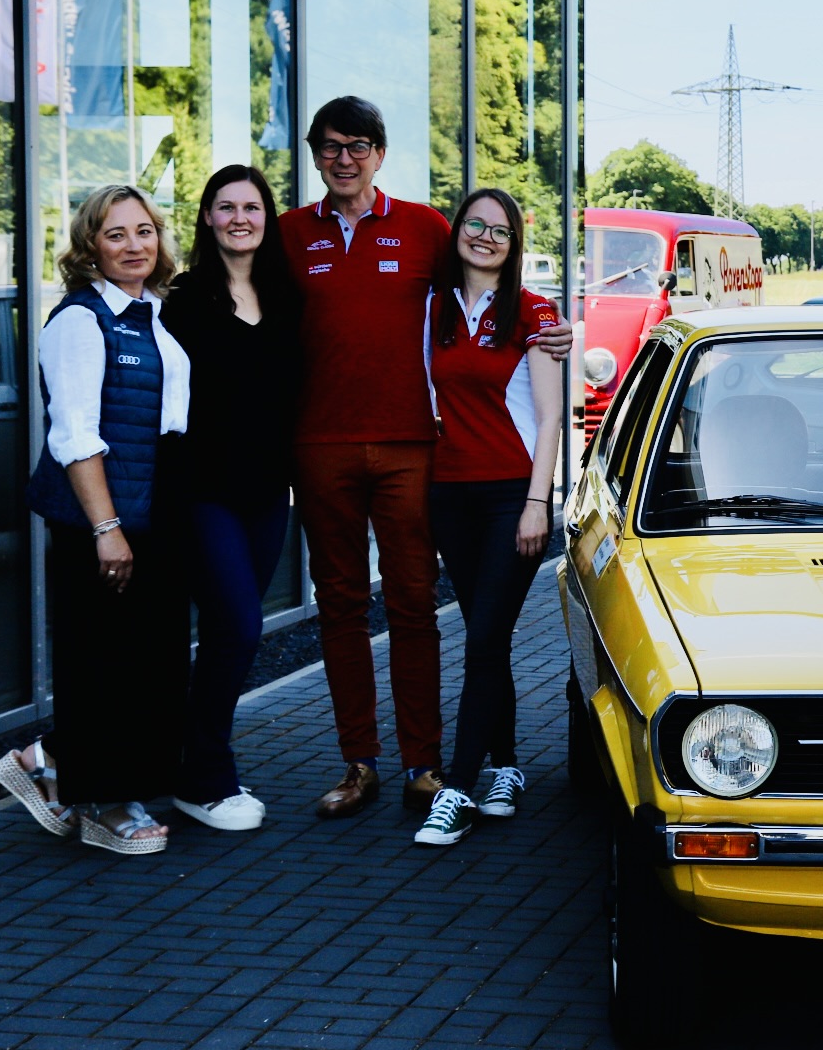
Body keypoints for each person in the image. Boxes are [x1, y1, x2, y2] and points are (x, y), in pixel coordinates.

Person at [281, 98, 574, 820]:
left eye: (358, 145)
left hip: (415, 449)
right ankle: (359, 764)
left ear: (380, 153)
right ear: (316, 153)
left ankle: (425, 764)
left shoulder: (425, 228)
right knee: (342, 609)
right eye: (330, 146)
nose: (343, 158)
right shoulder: (288, 235)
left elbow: (490, 277)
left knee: (414, 606)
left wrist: (548, 323)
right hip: (320, 446)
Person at [0, 185, 191, 857]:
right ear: (89, 248)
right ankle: (104, 806)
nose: (134, 246)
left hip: (152, 520)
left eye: (144, 232)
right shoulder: (79, 322)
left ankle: (44, 761)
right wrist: (107, 528)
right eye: (116, 235)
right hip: (99, 527)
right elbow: (74, 434)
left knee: (142, 665)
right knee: (102, 666)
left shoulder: (151, 312)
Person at [411, 186, 566, 846]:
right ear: (457, 233)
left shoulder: (535, 313)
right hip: (450, 497)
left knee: (481, 643)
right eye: (474, 224)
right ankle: (507, 767)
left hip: (513, 501)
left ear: (514, 244)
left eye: (499, 230)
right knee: (488, 639)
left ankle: (457, 788)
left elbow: (553, 417)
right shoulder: (433, 308)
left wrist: (539, 503)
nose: (484, 236)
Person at [161, 166, 302, 833]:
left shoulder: (288, 295)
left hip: (268, 493)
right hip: (203, 492)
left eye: (251, 206)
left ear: (267, 218)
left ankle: (190, 763)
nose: (240, 217)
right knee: (239, 627)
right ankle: (205, 778)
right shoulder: (184, 300)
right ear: (208, 219)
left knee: (229, 634)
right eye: (226, 207)